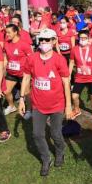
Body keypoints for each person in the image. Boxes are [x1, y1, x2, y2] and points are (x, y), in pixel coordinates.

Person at [19, 28, 72, 176]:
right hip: (38, 105)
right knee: (37, 134)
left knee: (55, 133)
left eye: (46, 40)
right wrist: (22, 99)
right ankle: (45, 158)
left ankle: (60, 151)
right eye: (41, 39)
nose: (43, 42)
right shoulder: (32, 58)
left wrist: (68, 106)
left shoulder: (60, 59)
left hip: (57, 104)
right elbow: (26, 78)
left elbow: (66, 83)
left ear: (54, 41)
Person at [68, 29, 92, 119]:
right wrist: (68, 75)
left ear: (88, 38)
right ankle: (77, 109)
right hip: (79, 77)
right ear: (78, 38)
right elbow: (71, 62)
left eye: (85, 38)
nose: (83, 40)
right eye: (81, 38)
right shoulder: (74, 49)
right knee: (74, 96)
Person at [3, 24, 33, 116]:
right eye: (6, 32)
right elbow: (6, 58)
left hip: (23, 74)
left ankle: (29, 109)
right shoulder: (6, 44)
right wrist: (3, 69)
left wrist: (30, 73)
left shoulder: (24, 44)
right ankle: (12, 106)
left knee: (27, 93)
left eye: (9, 32)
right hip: (11, 73)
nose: (7, 34)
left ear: (15, 32)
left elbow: (31, 59)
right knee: (6, 91)